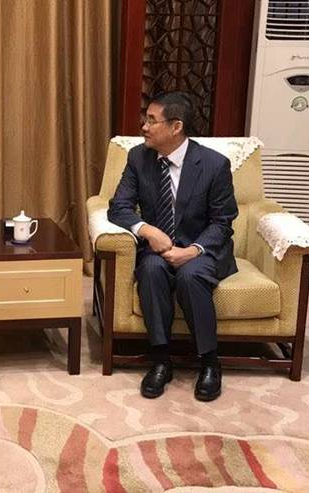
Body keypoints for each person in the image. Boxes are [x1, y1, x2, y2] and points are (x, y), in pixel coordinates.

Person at [107, 91, 238, 402]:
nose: (144, 126)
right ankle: (160, 360)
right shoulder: (139, 158)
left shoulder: (214, 164)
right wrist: (147, 230)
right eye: (145, 119)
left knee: (191, 276)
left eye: (152, 120)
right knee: (151, 270)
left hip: (201, 248)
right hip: (157, 249)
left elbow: (223, 222)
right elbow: (118, 207)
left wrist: (192, 251)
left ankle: (210, 362)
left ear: (176, 126)